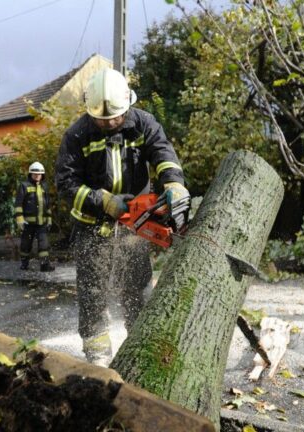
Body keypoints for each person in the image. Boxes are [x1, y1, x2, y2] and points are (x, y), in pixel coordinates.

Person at [55, 68, 190, 366]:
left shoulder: (143, 123)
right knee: (93, 295)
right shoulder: (77, 134)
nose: (109, 122)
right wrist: (103, 201)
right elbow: (65, 183)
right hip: (92, 227)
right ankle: (98, 357)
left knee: (138, 290)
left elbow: (163, 152)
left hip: (136, 225)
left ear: (127, 104)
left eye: (114, 117)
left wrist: (173, 183)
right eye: (102, 119)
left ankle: (139, 351)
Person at [15, 161, 56, 272]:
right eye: (35, 174)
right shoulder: (24, 186)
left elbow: (48, 205)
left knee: (44, 245)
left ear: (42, 175)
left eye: (39, 174)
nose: (37, 176)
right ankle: (24, 264)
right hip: (28, 223)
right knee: (26, 244)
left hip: (42, 223)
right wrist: (20, 219)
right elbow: (18, 204)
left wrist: (49, 220)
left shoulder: (44, 186)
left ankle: (44, 265)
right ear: (30, 174)